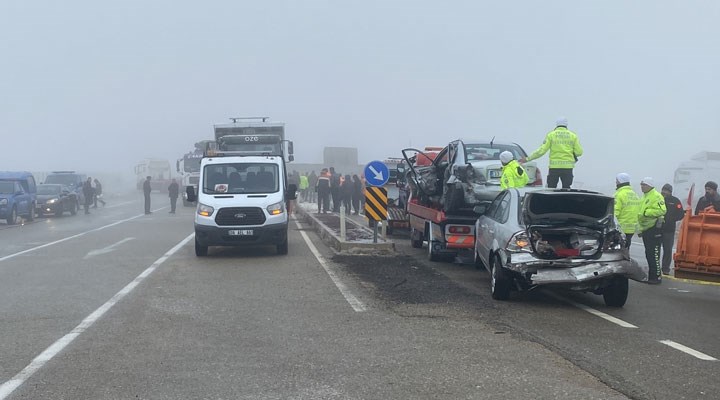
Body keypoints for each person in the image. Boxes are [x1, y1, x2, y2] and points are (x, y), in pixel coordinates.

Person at [524, 117, 583, 188]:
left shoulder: (551, 135)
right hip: (568, 168)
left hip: (554, 167)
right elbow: (579, 152)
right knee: (566, 189)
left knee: (551, 189)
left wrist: (528, 159)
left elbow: (541, 151)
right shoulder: (573, 136)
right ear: (566, 125)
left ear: (556, 125)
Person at [638, 177, 667, 284]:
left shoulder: (656, 196)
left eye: (644, 185)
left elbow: (662, 210)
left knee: (654, 254)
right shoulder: (644, 197)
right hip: (646, 229)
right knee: (648, 253)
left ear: (650, 185)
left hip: (654, 229)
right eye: (641, 184)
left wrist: (647, 212)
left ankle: (656, 277)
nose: (642, 186)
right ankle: (651, 276)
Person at [660, 183, 685, 275]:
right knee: (656, 249)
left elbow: (681, 214)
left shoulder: (675, 201)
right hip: (657, 229)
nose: (664, 192)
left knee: (667, 250)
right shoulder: (657, 198)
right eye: (663, 190)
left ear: (670, 192)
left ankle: (665, 268)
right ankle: (655, 267)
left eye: (666, 190)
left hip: (669, 230)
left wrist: (672, 219)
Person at [614, 173, 641, 248]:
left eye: (617, 181)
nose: (616, 183)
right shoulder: (635, 195)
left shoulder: (619, 194)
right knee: (627, 247)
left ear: (620, 181)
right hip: (632, 228)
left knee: (618, 251)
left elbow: (615, 212)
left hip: (620, 228)